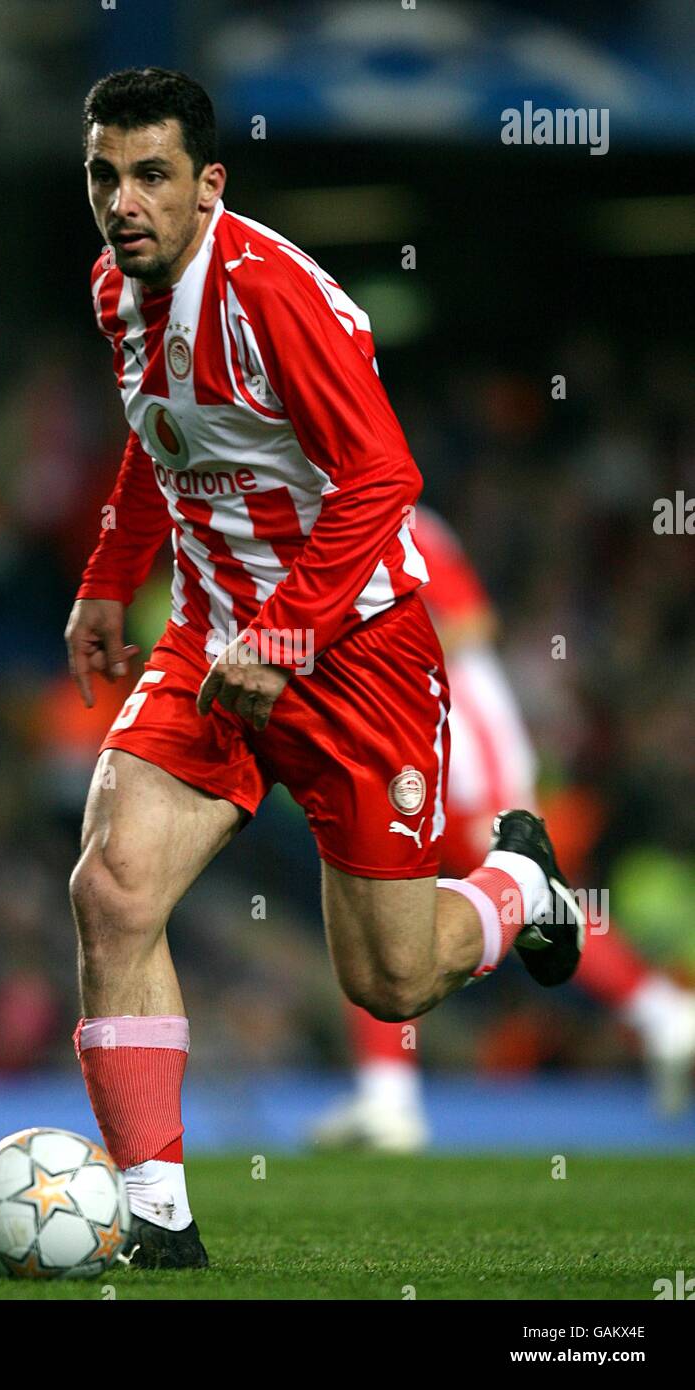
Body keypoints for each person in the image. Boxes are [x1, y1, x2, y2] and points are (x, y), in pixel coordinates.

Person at [64, 68, 583, 1269]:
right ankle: (157, 1218)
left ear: (209, 185)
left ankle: (518, 889)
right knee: (113, 886)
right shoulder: (117, 289)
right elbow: (163, 442)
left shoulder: (270, 297)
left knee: (391, 984)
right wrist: (108, 574)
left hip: (354, 651)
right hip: (211, 639)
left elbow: (382, 478)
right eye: (105, 176)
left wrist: (286, 634)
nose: (125, 203)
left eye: (151, 176)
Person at [313, 507, 695, 1151]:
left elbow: (469, 621)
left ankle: (662, 1013)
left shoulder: (392, 516)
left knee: (511, 889)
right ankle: (388, 1097)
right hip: (393, 735)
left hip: (456, 733)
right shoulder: (294, 517)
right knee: (370, 895)